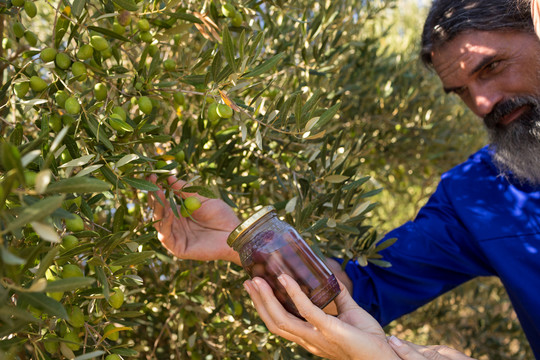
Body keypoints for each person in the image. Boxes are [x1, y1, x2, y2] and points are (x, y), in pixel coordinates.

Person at [149, 0, 540, 358]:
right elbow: (353, 293)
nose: (483, 104)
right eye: (461, 93)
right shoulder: (480, 194)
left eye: (491, 67)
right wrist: (250, 239)